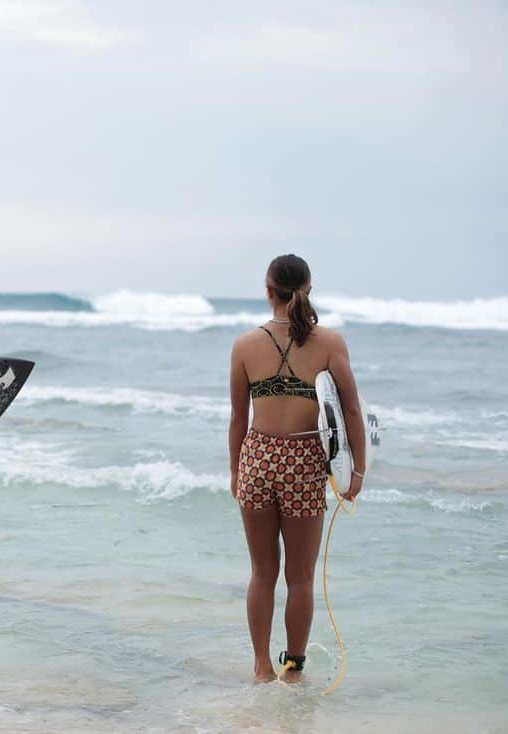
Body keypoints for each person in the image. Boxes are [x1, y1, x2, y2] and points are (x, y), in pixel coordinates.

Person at [228, 254, 366, 683]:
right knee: (301, 576)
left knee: (261, 572)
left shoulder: (245, 345)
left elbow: (238, 418)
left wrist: (236, 472)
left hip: (257, 459)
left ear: (268, 290)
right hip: (303, 464)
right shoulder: (329, 343)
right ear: (308, 288)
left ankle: (261, 666)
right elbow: (352, 410)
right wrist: (356, 472)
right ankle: (294, 668)